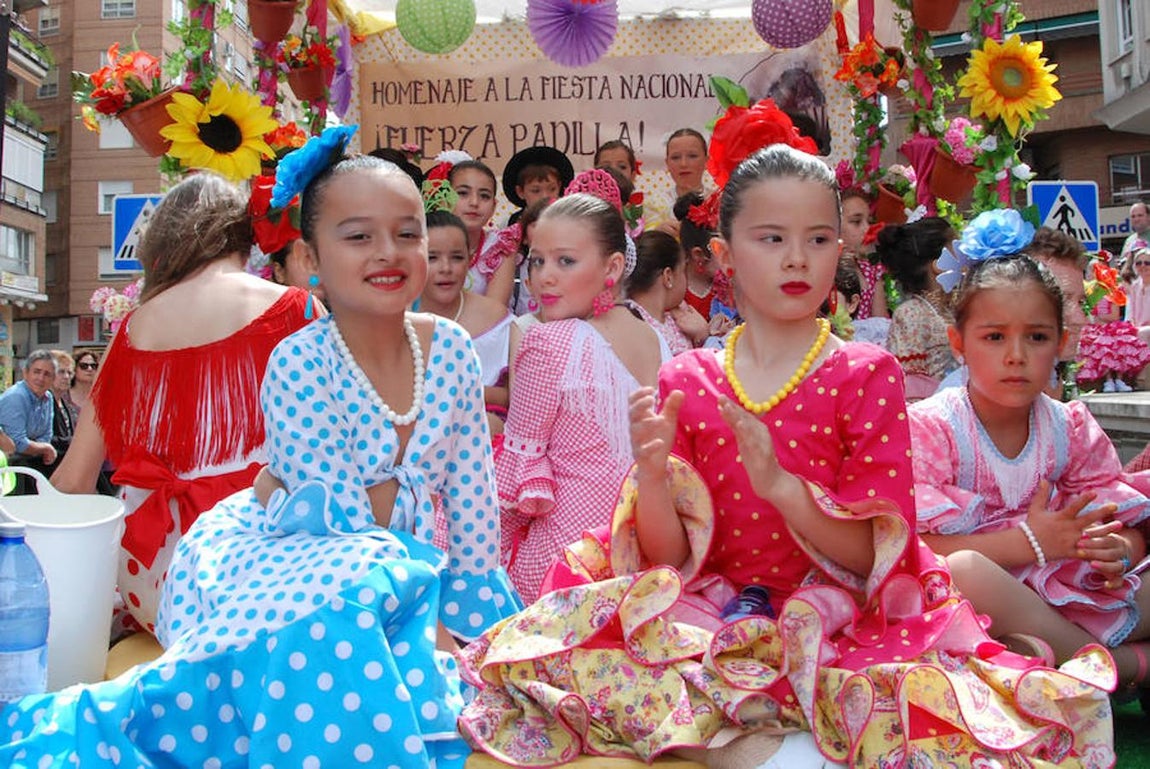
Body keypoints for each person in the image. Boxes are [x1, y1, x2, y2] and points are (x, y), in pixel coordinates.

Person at [462, 141, 1117, 768]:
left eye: (819, 239)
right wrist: (655, 478)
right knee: (594, 682)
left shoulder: (867, 373)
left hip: (842, 617)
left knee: (926, 721)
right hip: (708, 617)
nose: (797, 259)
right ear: (724, 253)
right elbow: (666, 559)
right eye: (772, 238)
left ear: (841, 246)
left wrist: (783, 490)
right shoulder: (687, 379)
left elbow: (874, 556)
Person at [49, 172, 312, 634]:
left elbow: (72, 483)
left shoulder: (130, 331)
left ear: (161, 245)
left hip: (153, 581)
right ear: (242, 235)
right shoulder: (297, 309)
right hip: (265, 570)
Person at [909, 242, 1150, 696]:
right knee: (961, 570)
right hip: (998, 597)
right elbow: (918, 549)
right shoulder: (935, 428)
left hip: (1081, 586)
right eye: (994, 337)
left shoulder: (1069, 425)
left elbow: (1123, 516)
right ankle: (1124, 665)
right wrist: (1030, 544)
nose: (1016, 355)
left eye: (1036, 337)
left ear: (1060, 342)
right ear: (958, 342)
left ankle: (1055, 660)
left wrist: (1116, 549)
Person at [496, 193, 665, 601]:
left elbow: (510, 485)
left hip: (565, 565)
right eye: (536, 261)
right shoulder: (652, 332)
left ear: (612, 267)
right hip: (643, 559)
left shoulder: (548, 340)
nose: (544, 277)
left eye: (565, 261)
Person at [419, 210, 513, 431]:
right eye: (432, 258)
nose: (446, 269)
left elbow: (515, 396)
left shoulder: (496, 319)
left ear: (470, 259)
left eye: (457, 257)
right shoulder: (394, 317)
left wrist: (458, 392)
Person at [877, 217, 959, 400]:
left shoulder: (952, 309)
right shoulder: (911, 313)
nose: (965, 259)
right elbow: (910, 389)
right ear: (938, 265)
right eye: (957, 251)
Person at [449, 159, 519, 307]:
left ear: (494, 206)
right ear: (445, 197)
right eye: (463, 193)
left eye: (484, 196)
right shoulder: (426, 243)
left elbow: (494, 309)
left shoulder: (501, 246)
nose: (474, 202)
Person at [625, 229, 707, 354]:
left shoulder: (675, 319)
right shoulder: (634, 325)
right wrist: (704, 338)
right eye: (683, 270)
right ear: (668, 276)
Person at [0, 350, 58, 486]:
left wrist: (41, 447)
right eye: (36, 372)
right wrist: (44, 448)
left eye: (47, 374)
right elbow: (18, 444)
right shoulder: (16, 396)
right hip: (10, 467)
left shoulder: (48, 397)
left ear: (53, 379)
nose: (41, 378)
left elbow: (46, 435)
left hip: (32, 462)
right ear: (26, 373)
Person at [647, 128, 711, 237]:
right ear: (667, 163)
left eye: (692, 156)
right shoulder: (653, 203)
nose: (683, 164)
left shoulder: (719, 202)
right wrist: (656, 233)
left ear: (706, 160)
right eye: (675, 157)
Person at [501, 145, 574, 227]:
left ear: (560, 186)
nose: (545, 196)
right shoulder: (509, 224)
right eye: (536, 190)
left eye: (552, 189)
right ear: (520, 192)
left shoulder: (571, 221)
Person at [47, 349, 76, 459]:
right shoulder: (41, 402)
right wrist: (71, 442)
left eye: (69, 372)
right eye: (61, 372)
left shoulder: (66, 404)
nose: (66, 377)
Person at [1120, 200, 1149, 268]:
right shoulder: (1129, 241)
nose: (1136, 219)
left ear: (1148, 217)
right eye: (1133, 216)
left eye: (1140, 215)